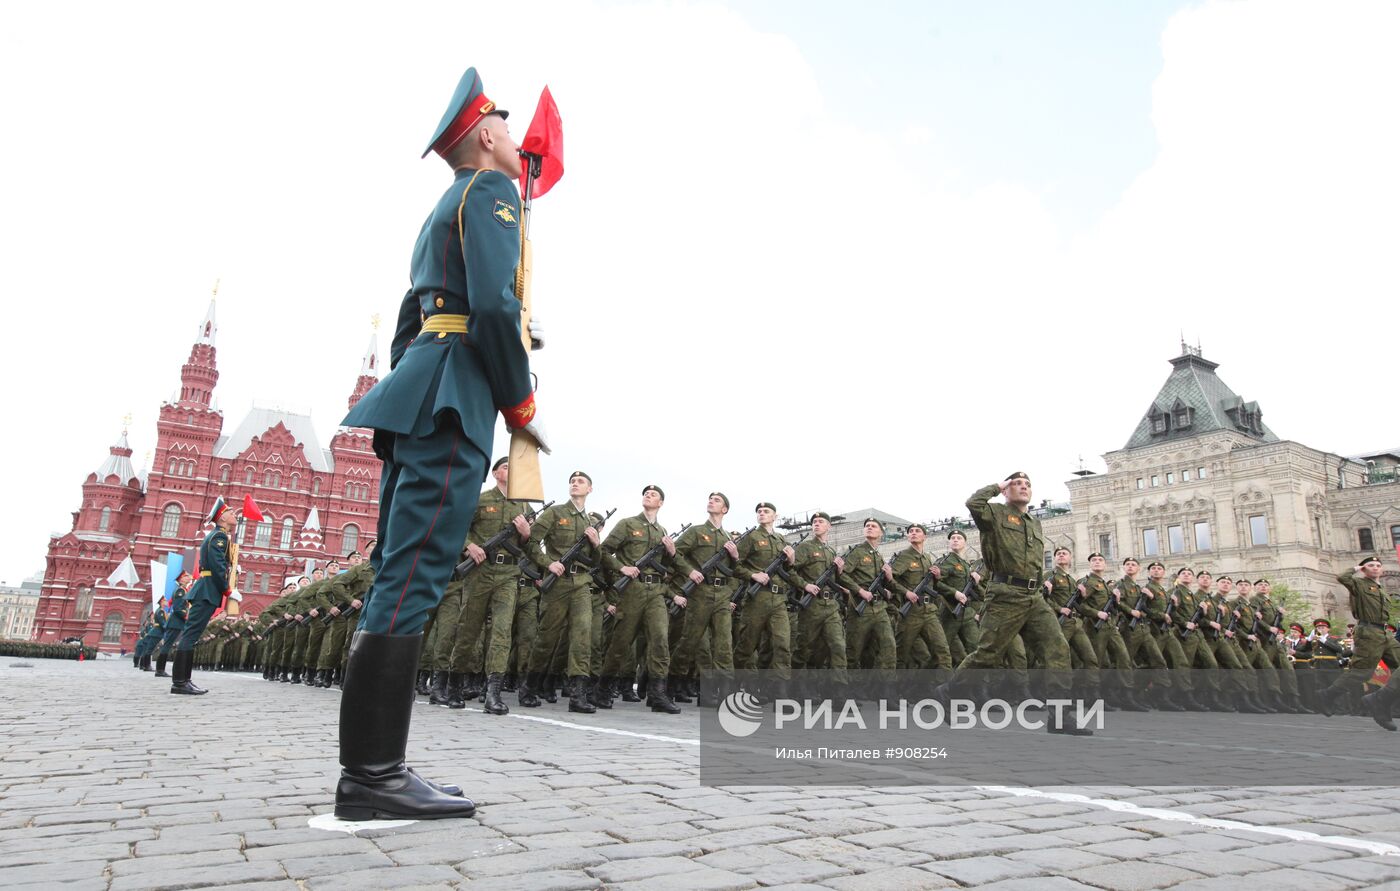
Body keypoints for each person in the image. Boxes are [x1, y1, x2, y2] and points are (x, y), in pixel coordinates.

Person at [334, 66, 547, 821]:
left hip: (422, 391)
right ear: (488, 134)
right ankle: (371, 775)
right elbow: (491, 304)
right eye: (507, 127)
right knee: (416, 576)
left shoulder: (440, 210)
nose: (517, 139)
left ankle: (375, 767)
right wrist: (519, 399)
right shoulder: (492, 193)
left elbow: (408, 323)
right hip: (455, 403)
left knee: (401, 570)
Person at [938, 473, 1089, 735]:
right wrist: (997, 487)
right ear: (1007, 490)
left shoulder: (1034, 523)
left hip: (1034, 596)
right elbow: (973, 503)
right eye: (1017, 484)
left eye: (1028, 484)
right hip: (1005, 594)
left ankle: (1060, 716)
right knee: (987, 654)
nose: (1024, 487)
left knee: (1057, 649)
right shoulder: (994, 513)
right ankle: (949, 691)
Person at [598, 485, 680, 712]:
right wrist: (621, 567)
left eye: (654, 494)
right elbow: (604, 551)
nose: (648, 495)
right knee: (621, 643)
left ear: (661, 503)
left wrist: (672, 553)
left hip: (655, 593)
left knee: (660, 640)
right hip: (632, 590)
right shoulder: (627, 524)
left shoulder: (662, 532)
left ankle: (657, 695)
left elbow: (668, 566)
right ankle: (603, 689)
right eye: (646, 493)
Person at [172, 499, 240, 695]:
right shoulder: (219, 537)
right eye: (231, 512)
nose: (234, 514)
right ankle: (180, 682)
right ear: (222, 517)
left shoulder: (219, 536)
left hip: (207, 590)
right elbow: (217, 567)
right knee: (190, 635)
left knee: (191, 636)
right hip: (207, 590)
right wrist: (227, 589)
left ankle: (184, 680)